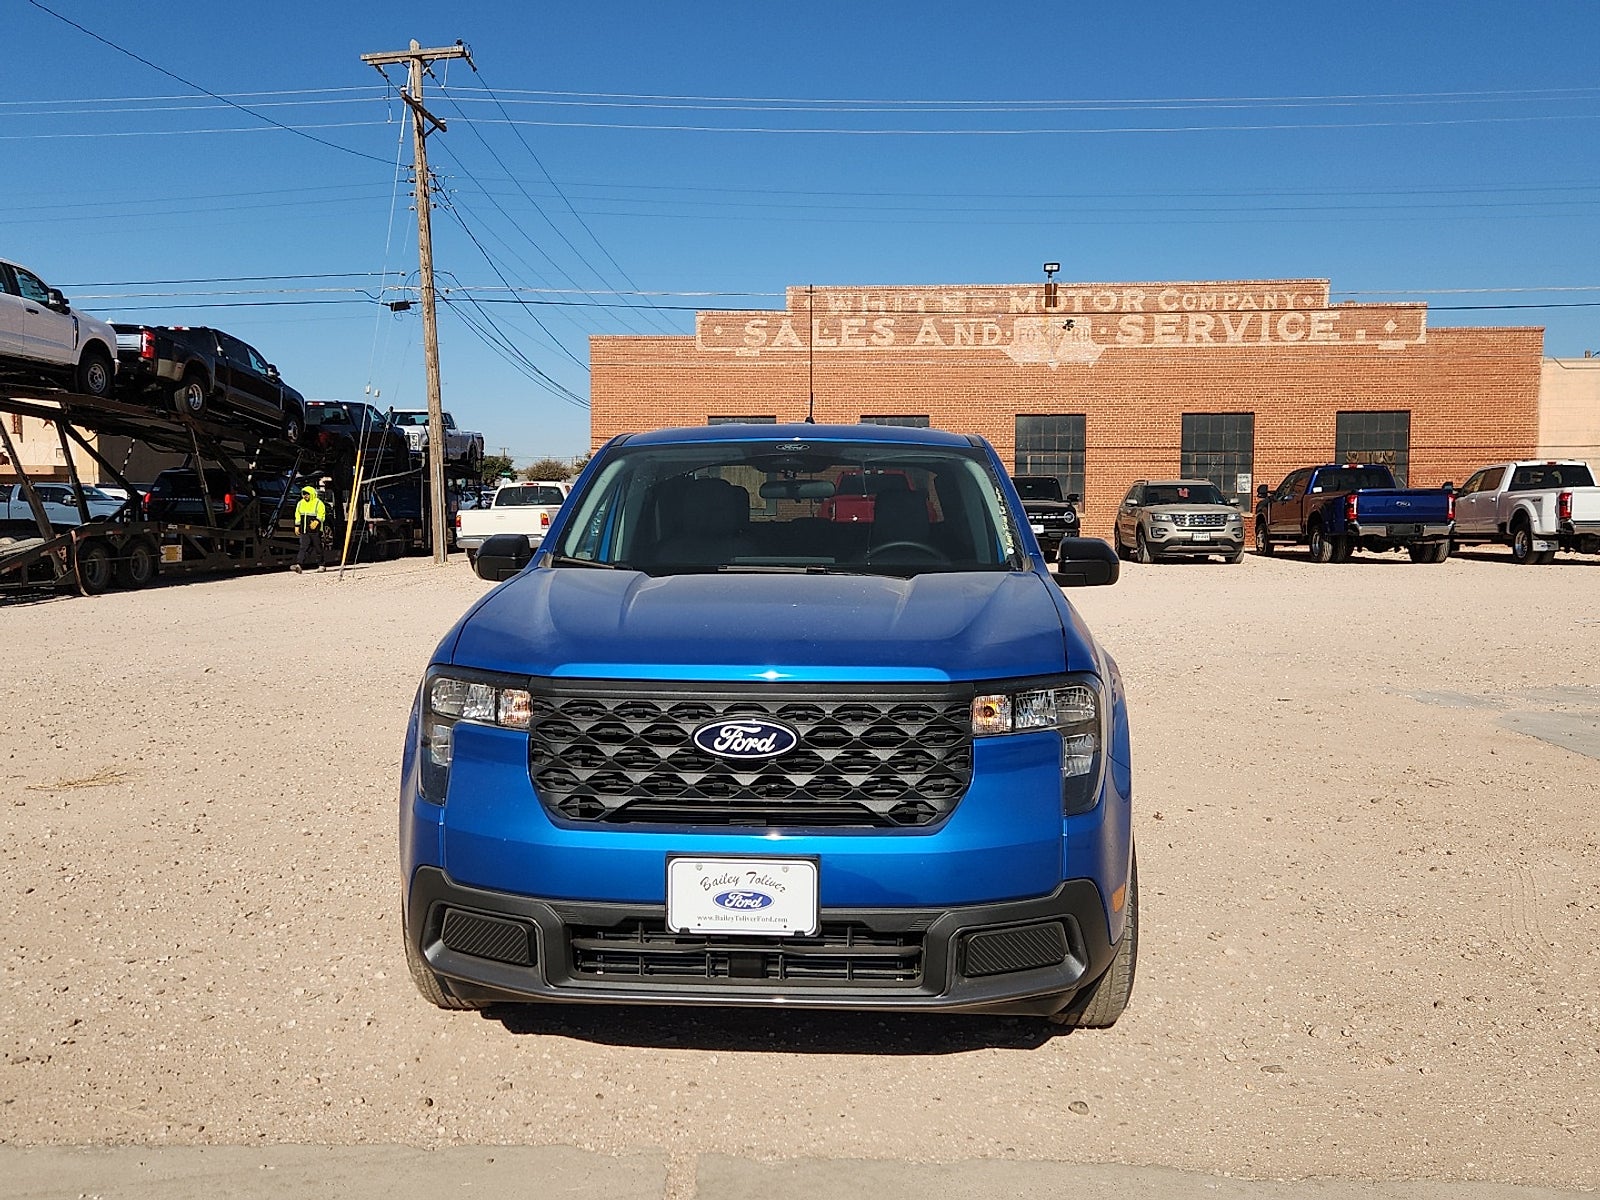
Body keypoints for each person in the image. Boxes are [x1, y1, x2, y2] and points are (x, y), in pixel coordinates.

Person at [293, 484, 327, 573]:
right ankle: (299, 565)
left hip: (315, 531)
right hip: (304, 530)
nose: (305, 496)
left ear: (311, 494)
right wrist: (297, 526)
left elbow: (322, 514)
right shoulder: (300, 503)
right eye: (304, 494)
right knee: (303, 547)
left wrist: (317, 521)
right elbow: (297, 515)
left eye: (307, 494)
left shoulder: (318, 503)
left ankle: (321, 565)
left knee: (318, 547)